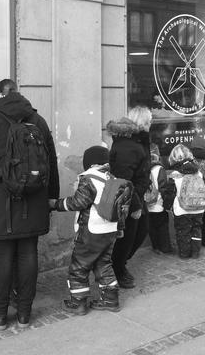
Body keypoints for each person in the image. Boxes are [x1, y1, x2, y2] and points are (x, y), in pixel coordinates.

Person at [0, 79, 60, 329]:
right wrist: (52, 195)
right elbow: (50, 161)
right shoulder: (37, 121)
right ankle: (24, 313)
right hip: (34, 197)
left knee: (1, 255)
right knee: (28, 252)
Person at [49, 145, 131, 315]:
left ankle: (78, 303)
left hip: (91, 231)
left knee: (79, 266)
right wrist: (120, 229)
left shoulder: (89, 178)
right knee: (104, 264)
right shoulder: (111, 178)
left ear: (89, 162)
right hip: (110, 230)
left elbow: (78, 202)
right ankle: (110, 299)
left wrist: (55, 204)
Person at [107, 106, 152, 289]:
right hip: (128, 197)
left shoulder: (137, 141)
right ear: (142, 122)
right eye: (149, 121)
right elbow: (123, 180)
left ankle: (119, 265)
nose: (151, 124)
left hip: (135, 194)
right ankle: (117, 268)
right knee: (127, 235)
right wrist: (134, 205)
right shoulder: (129, 145)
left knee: (138, 231)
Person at [163, 144, 205, 259]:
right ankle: (196, 252)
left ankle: (185, 253)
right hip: (198, 207)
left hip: (182, 208)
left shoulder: (175, 175)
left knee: (183, 231)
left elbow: (170, 193)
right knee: (196, 229)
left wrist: (167, 206)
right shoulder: (198, 172)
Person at [146, 148, 172, 254]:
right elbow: (163, 187)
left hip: (147, 203)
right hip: (158, 204)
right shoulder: (159, 169)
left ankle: (155, 246)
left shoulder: (145, 169)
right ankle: (165, 248)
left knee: (152, 227)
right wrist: (167, 203)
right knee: (162, 227)